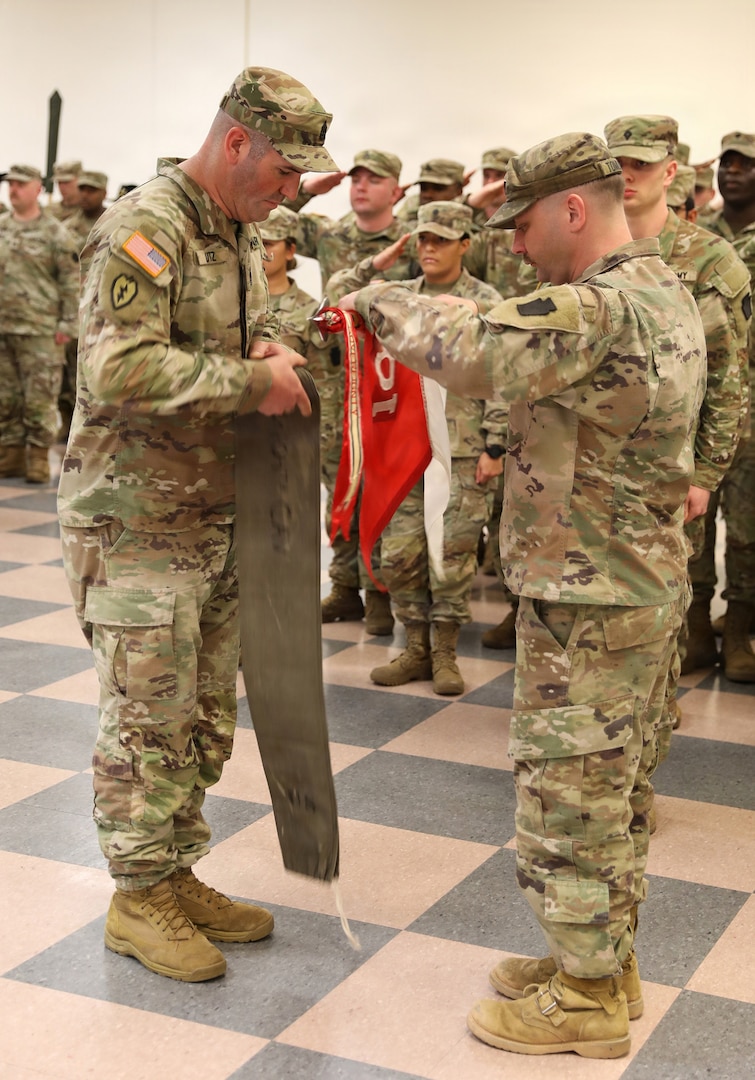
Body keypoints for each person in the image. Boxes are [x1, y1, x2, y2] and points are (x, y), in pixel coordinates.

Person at [341, 132, 705, 1058]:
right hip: (628, 582)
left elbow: (466, 346)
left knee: (568, 795)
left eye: (525, 220)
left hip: (590, 591)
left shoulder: (596, 307)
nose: (514, 239)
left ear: (573, 211)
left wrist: (369, 299)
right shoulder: (662, 288)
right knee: (611, 791)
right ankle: (602, 961)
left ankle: (582, 999)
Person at [57, 65, 336, 983]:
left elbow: (208, 345)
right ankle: (137, 897)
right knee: (148, 713)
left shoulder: (235, 232)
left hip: (212, 514)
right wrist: (254, 381)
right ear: (235, 142)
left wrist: (258, 347)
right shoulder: (148, 227)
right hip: (136, 520)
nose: (291, 190)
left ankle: (174, 872)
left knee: (203, 711)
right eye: (284, 170)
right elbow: (119, 371)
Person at [604, 114, 750, 729]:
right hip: (603, 462)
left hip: (678, 458)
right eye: (617, 163)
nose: (627, 175)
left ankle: (656, 712)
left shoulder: (708, 258)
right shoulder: (586, 246)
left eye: (641, 164)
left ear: (672, 172)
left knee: (669, 584)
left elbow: (729, 375)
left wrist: (705, 472)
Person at [329, 201, 504, 695]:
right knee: (400, 554)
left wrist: (495, 445)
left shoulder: (487, 303)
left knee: (450, 555)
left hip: (464, 449)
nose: (429, 248)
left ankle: (445, 651)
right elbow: (336, 299)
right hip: (405, 451)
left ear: (465, 244)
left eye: (441, 240)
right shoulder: (399, 298)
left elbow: (502, 377)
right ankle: (415, 647)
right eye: (423, 240)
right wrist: (377, 265)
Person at [290, 149, 416, 634]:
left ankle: (380, 588)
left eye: (374, 178)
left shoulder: (409, 239)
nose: (361, 186)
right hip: (338, 378)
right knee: (339, 476)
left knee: (385, 479)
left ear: (395, 189)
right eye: (356, 178)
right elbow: (266, 220)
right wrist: (308, 189)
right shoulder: (330, 234)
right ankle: (345, 586)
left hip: (392, 379)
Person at [686, 131, 755, 681]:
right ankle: (694, 631)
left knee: (749, 529)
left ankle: (737, 633)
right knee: (696, 524)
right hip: (702, 406)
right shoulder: (695, 237)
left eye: (745, 164)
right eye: (725, 163)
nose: (731, 172)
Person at [0, 164, 79, 482]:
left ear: (37, 188)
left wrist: (68, 325)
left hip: (41, 330)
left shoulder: (56, 233)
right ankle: (11, 454)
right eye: (11, 184)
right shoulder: (2, 227)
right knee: (6, 397)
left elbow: (72, 282)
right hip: (4, 327)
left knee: (40, 398)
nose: (13, 189)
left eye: (20, 184)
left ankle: (36, 458)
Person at [259, 205, 340, 459]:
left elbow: (324, 386)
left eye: (268, 244)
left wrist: (315, 443)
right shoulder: (230, 301)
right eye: (254, 243)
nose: (259, 252)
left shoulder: (312, 313)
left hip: (285, 437)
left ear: (291, 250)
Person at [64, 170, 109, 247]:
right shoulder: (66, 228)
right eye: (81, 189)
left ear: (104, 194)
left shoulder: (115, 224)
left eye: (91, 190)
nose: (84, 195)